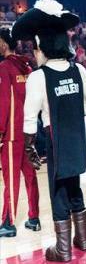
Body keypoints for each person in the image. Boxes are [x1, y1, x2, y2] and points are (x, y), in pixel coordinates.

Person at [12, 0, 86, 262]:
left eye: (35, 49)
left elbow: (29, 117)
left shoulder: (39, 76)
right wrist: (75, 115)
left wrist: (29, 147)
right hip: (76, 140)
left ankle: (63, 249)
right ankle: (82, 239)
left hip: (55, 139)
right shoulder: (78, 70)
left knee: (58, 191)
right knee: (74, 186)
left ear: (42, 47)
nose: (34, 54)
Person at [0, 28, 40, 238]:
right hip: (28, 132)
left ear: (4, 44)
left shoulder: (4, 67)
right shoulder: (27, 67)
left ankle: (8, 222)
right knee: (30, 176)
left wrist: (0, 132)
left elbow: (4, 103)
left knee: (11, 178)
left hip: (12, 134)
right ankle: (34, 218)